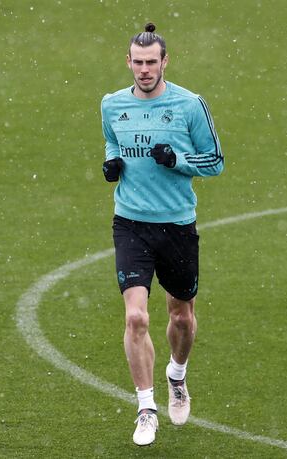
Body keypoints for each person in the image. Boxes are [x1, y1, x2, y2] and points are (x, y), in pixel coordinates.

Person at [101, 22, 224, 446]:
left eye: (152, 62)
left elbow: (215, 162)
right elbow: (111, 143)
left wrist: (177, 160)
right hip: (130, 222)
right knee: (135, 316)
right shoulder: (112, 105)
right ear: (128, 62)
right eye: (138, 62)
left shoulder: (190, 105)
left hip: (176, 224)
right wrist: (112, 163)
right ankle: (146, 407)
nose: (144, 69)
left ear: (165, 61)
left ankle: (177, 374)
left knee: (182, 317)